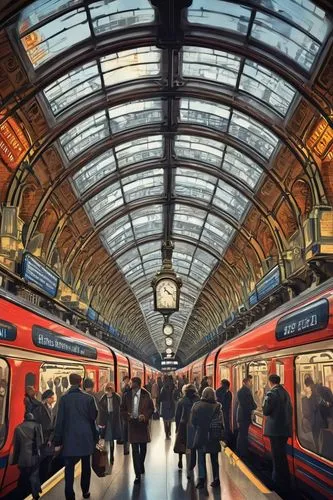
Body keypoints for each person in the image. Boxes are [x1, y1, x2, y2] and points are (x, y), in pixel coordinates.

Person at [53, 373, 98, 500]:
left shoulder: (63, 399)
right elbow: (93, 417)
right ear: (80, 383)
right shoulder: (89, 398)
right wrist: (95, 436)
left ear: (70, 382)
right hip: (86, 437)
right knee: (85, 465)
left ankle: (69, 495)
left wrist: (57, 441)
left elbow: (59, 421)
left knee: (69, 468)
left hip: (69, 438)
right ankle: (85, 491)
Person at [120, 377, 154, 485]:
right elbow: (122, 410)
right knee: (135, 450)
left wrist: (145, 416)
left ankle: (140, 464)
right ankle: (137, 475)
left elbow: (151, 409)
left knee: (143, 449)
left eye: (131, 383)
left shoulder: (146, 395)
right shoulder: (126, 396)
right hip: (132, 425)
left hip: (142, 424)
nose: (130, 385)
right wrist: (128, 416)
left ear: (137, 384)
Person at [263, 374, 292, 497]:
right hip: (284, 429)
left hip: (274, 430)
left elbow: (266, 411)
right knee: (282, 455)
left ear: (270, 382)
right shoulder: (285, 393)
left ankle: (276, 483)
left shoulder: (271, 394)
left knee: (276, 456)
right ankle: (286, 481)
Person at [190, 387, 223, 489]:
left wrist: (199, 428)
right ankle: (216, 479)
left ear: (203, 394)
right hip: (214, 436)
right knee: (214, 459)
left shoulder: (196, 406)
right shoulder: (218, 406)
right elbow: (221, 422)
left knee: (201, 458)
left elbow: (193, 421)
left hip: (201, 435)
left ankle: (201, 480)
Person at [11, 412, 44, 500]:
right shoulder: (38, 426)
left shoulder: (18, 428)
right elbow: (41, 443)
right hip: (34, 456)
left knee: (24, 476)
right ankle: (35, 495)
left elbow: (16, 447)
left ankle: (23, 493)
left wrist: (14, 461)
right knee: (34, 475)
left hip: (22, 458)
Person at [174, 384, 199, 476]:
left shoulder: (181, 401)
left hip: (183, 425)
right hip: (194, 426)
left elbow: (177, 416)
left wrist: (177, 427)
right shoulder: (198, 401)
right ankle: (191, 465)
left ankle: (180, 460)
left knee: (181, 444)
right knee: (192, 446)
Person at [33, 390, 56, 483]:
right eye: (52, 397)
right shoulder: (39, 409)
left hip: (48, 440)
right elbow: (38, 425)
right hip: (43, 440)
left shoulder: (49, 408)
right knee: (42, 463)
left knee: (47, 462)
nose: (54, 399)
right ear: (47, 398)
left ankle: (44, 479)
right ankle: (41, 481)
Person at [98, 383, 122, 468]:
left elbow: (120, 408)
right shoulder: (103, 399)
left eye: (109, 393)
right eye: (107, 393)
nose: (108, 394)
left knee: (111, 439)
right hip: (106, 420)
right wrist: (100, 423)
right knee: (105, 439)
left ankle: (111, 456)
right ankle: (105, 456)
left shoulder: (117, 397)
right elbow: (101, 412)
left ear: (112, 391)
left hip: (114, 420)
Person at [236, 376, 257, 459]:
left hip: (242, 415)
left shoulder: (243, 391)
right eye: (249, 382)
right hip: (244, 416)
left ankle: (241, 451)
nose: (251, 383)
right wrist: (254, 407)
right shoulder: (245, 391)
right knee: (242, 434)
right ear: (245, 382)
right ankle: (242, 452)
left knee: (242, 434)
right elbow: (248, 404)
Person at [216, 379, 232, 445]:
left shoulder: (218, 391)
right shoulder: (228, 393)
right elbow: (228, 403)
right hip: (226, 411)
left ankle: (221, 438)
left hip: (220, 411)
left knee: (220, 425)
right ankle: (227, 439)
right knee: (226, 424)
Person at [160, 375, 176, 439]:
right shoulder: (173, 386)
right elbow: (175, 396)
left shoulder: (163, 388)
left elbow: (161, 397)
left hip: (164, 405)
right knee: (170, 419)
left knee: (165, 421)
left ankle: (166, 434)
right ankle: (169, 430)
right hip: (171, 404)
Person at [121, 375, 131, 455]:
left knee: (126, 432)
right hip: (127, 415)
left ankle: (126, 449)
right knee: (127, 432)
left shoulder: (124, 391)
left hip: (126, 415)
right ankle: (126, 448)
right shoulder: (126, 388)